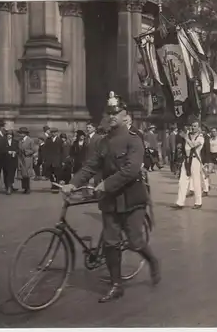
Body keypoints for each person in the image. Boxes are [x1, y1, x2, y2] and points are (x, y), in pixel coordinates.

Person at [61, 97, 160, 303]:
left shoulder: (134, 139)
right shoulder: (103, 142)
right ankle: (117, 285)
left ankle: (152, 261)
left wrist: (106, 184)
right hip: (110, 201)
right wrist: (73, 182)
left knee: (134, 241)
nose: (111, 116)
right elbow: (90, 166)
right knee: (111, 243)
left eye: (116, 113)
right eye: (109, 113)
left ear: (126, 116)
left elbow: (131, 170)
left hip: (132, 199)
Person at [172, 121, 205, 209]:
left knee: (196, 181)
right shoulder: (188, 135)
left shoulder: (200, 137)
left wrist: (186, 138)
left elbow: (193, 145)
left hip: (195, 160)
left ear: (198, 128)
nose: (193, 128)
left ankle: (198, 202)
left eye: (195, 126)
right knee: (182, 181)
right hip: (186, 159)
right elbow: (182, 147)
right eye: (192, 126)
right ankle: (180, 202)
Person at [16, 127, 35, 194]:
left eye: (21, 133)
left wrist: (26, 151)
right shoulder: (19, 141)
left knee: (27, 174)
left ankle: (28, 188)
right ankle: (24, 188)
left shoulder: (30, 140)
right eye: (20, 133)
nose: (20, 134)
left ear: (25, 134)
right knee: (22, 174)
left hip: (27, 159)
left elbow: (33, 150)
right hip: (21, 158)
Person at [3, 129, 19, 195]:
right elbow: (0, 150)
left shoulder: (15, 142)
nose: (9, 136)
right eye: (8, 135)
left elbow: (18, 149)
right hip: (5, 160)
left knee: (11, 174)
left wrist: (15, 152)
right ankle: (8, 186)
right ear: (6, 135)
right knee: (6, 174)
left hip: (13, 160)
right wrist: (7, 152)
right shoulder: (3, 142)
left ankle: (9, 187)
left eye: (10, 135)